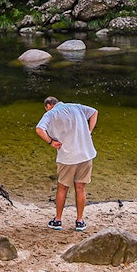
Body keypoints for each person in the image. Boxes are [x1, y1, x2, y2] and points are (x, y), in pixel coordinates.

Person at [35, 96, 98, 232]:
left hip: (67, 157)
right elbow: (94, 112)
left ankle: (58, 220)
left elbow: (39, 129)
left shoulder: (51, 113)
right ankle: (80, 221)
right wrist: (89, 131)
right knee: (81, 188)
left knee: (62, 188)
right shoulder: (76, 107)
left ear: (49, 105)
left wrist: (51, 142)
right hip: (86, 154)